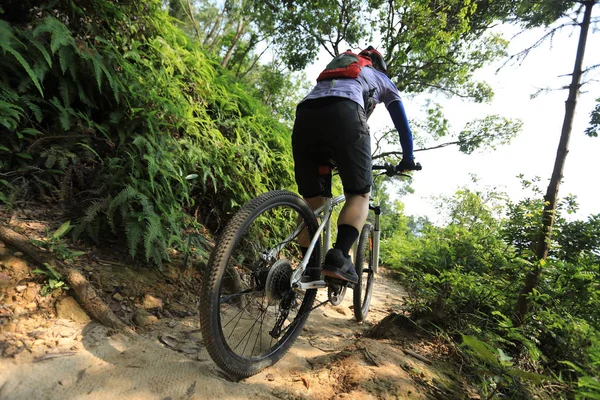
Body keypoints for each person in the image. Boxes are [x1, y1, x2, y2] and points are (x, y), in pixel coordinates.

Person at [292, 45, 417, 284]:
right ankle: (338, 258)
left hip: (305, 115)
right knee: (359, 194)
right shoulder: (382, 78)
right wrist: (408, 158)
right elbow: (403, 124)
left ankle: (307, 266)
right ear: (381, 67)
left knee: (313, 202)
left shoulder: (337, 69)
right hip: (346, 115)